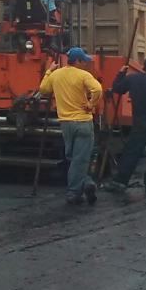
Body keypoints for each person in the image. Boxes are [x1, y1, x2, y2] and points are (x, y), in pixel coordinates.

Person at [38, 47, 103, 205]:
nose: (86, 64)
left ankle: (86, 183)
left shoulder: (56, 75)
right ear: (78, 61)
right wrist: (90, 104)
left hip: (66, 124)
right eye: (84, 61)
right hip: (83, 122)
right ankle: (75, 192)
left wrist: (49, 71)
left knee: (73, 157)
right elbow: (98, 89)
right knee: (80, 159)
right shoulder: (83, 75)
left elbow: (43, 90)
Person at [103, 55, 146, 196]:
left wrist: (121, 73)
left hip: (140, 124)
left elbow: (117, 88)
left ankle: (121, 181)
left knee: (131, 153)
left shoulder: (133, 79)